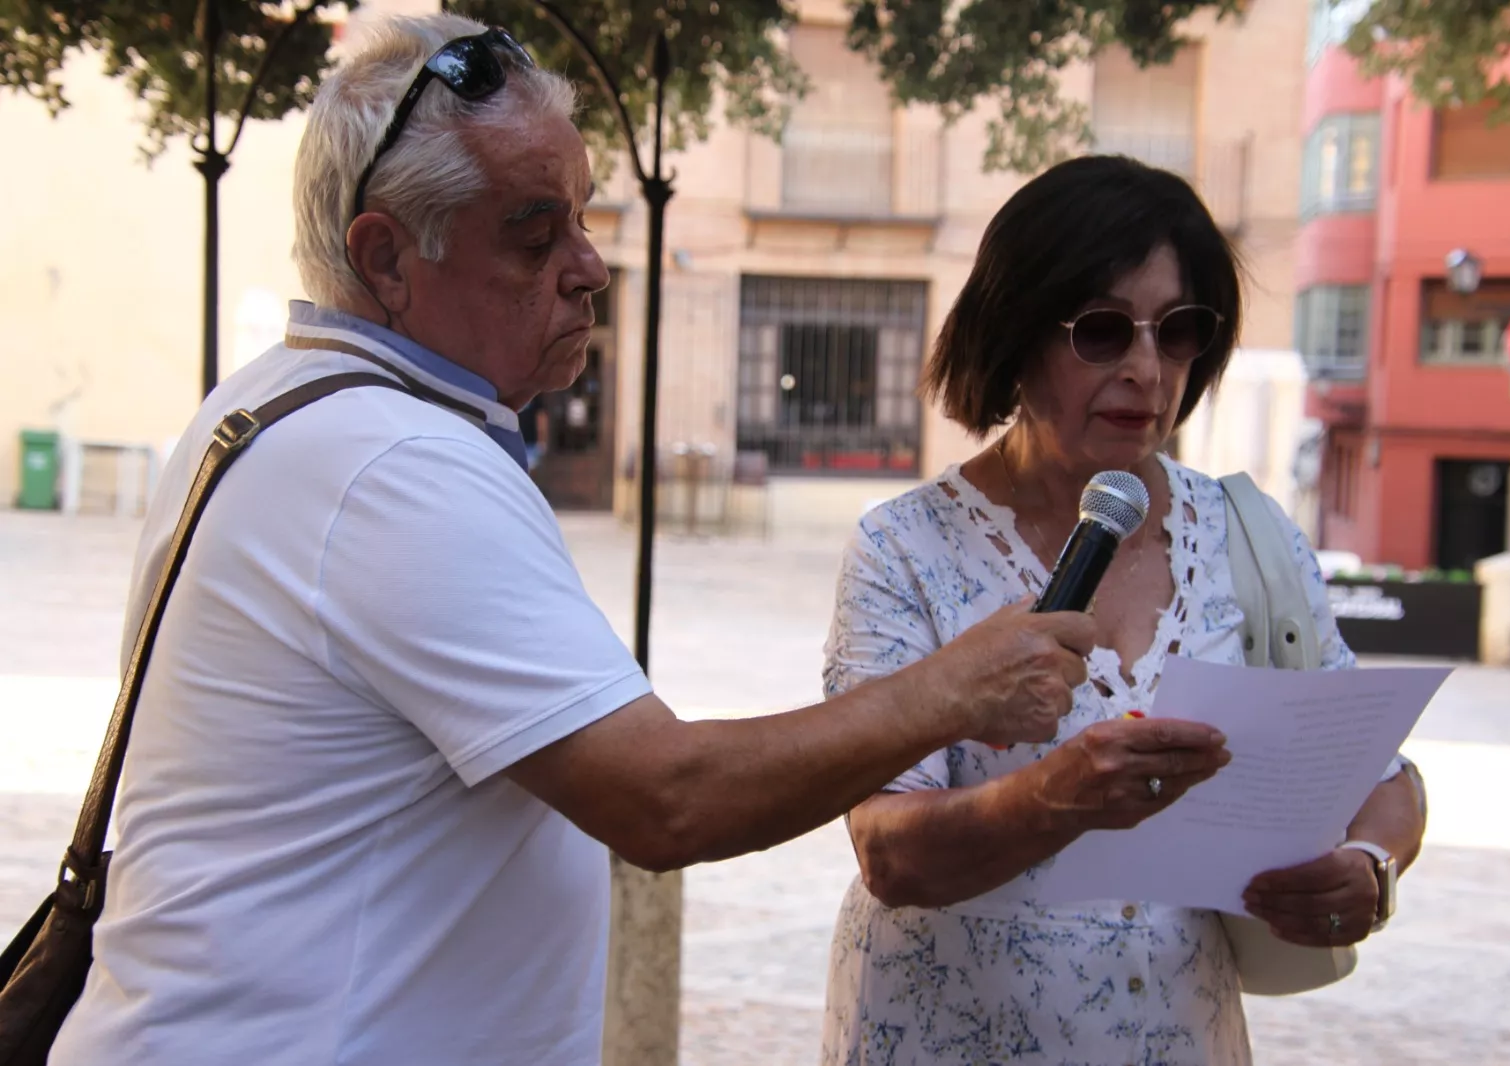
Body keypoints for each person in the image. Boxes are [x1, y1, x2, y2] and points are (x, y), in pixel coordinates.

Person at [47, 16, 1096, 1066]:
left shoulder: (281, 401)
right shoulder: (396, 461)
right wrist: (950, 690)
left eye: (583, 217)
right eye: (533, 235)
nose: (589, 266)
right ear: (386, 257)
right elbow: (666, 798)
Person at [819, 156, 1427, 1065]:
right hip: (950, 1034)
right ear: (1016, 331)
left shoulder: (1247, 533)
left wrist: (1369, 867)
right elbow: (888, 852)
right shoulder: (905, 548)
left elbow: (1379, 773)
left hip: (1179, 1032)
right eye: (1102, 332)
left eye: (1179, 331)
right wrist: (1050, 798)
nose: (1147, 370)